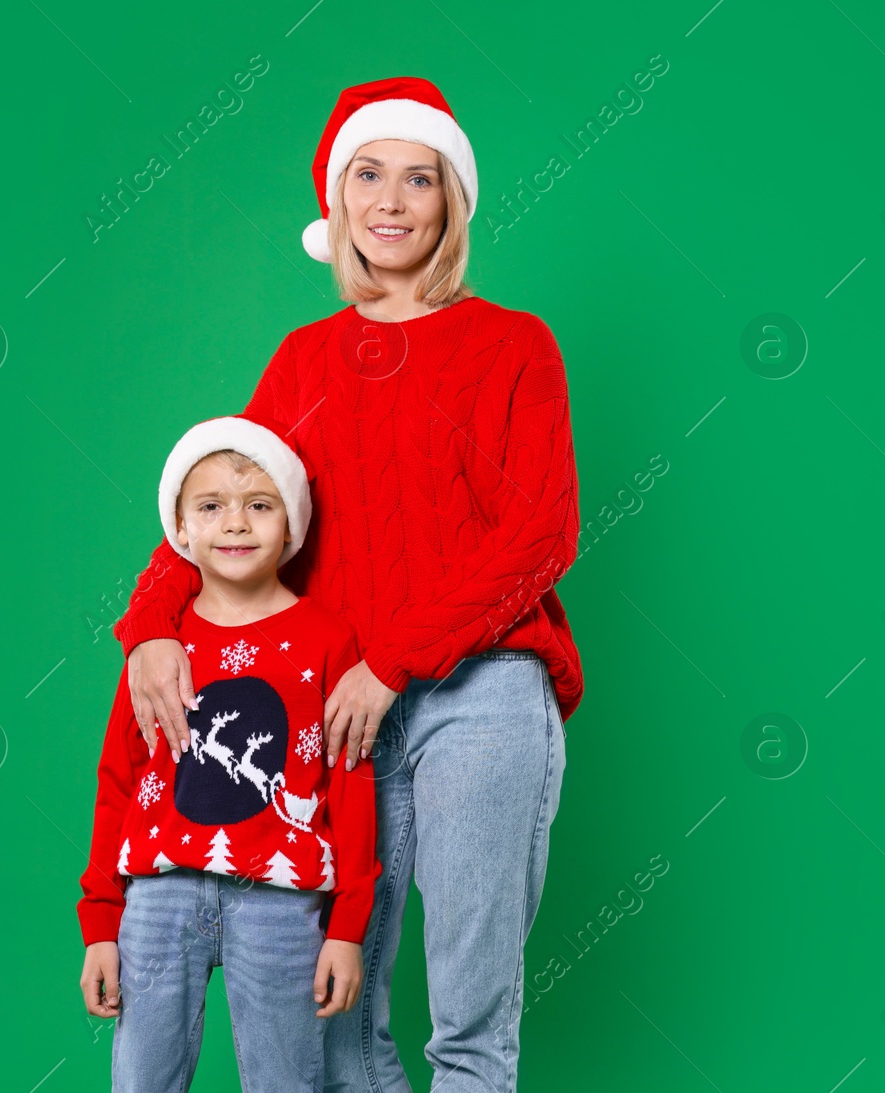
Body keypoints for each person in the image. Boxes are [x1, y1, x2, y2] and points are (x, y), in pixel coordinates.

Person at [114, 76, 582, 1093]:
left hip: (482, 694)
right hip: (329, 713)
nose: (391, 199)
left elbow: (540, 536)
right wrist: (151, 621)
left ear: (449, 202)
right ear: (336, 201)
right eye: (367, 174)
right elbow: (229, 502)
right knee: (327, 1016)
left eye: (419, 178)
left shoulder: (514, 344)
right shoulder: (306, 360)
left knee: (466, 1017)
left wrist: (396, 659)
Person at [78, 410, 380, 1092]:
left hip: (280, 900)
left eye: (259, 504)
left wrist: (348, 926)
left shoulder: (331, 639)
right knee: (142, 1080)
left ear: (291, 524)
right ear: (181, 527)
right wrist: (101, 919)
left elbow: (352, 783)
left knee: (285, 1080)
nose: (236, 523)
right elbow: (118, 776)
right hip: (158, 896)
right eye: (211, 506)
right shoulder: (157, 648)